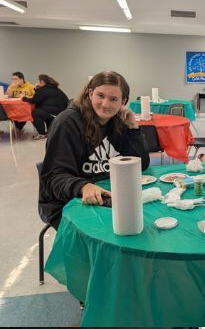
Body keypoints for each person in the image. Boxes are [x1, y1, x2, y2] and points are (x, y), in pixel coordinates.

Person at [38, 71, 150, 229]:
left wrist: (133, 129)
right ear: (90, 93)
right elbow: (54, 177)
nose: (105, 104)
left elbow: (140, 165)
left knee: (143, 222)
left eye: (113, 99)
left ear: (123, 102)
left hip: (109, 195)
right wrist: (84, 186)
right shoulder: (68, 122)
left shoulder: (118, 122)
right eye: (100, 95)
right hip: (68, 201)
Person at [23, 73, 69, 140]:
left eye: (38, 81)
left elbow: (34, 100)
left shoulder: (43, 89)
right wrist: (36, 89)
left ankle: (42, 134)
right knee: (43, 112)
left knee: (35, 113)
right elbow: (40, 97)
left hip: (55, 113)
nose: (37, 82)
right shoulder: (54, 88)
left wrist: (23, 98)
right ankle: (49, 132)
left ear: (42, 82)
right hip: (61, 112)